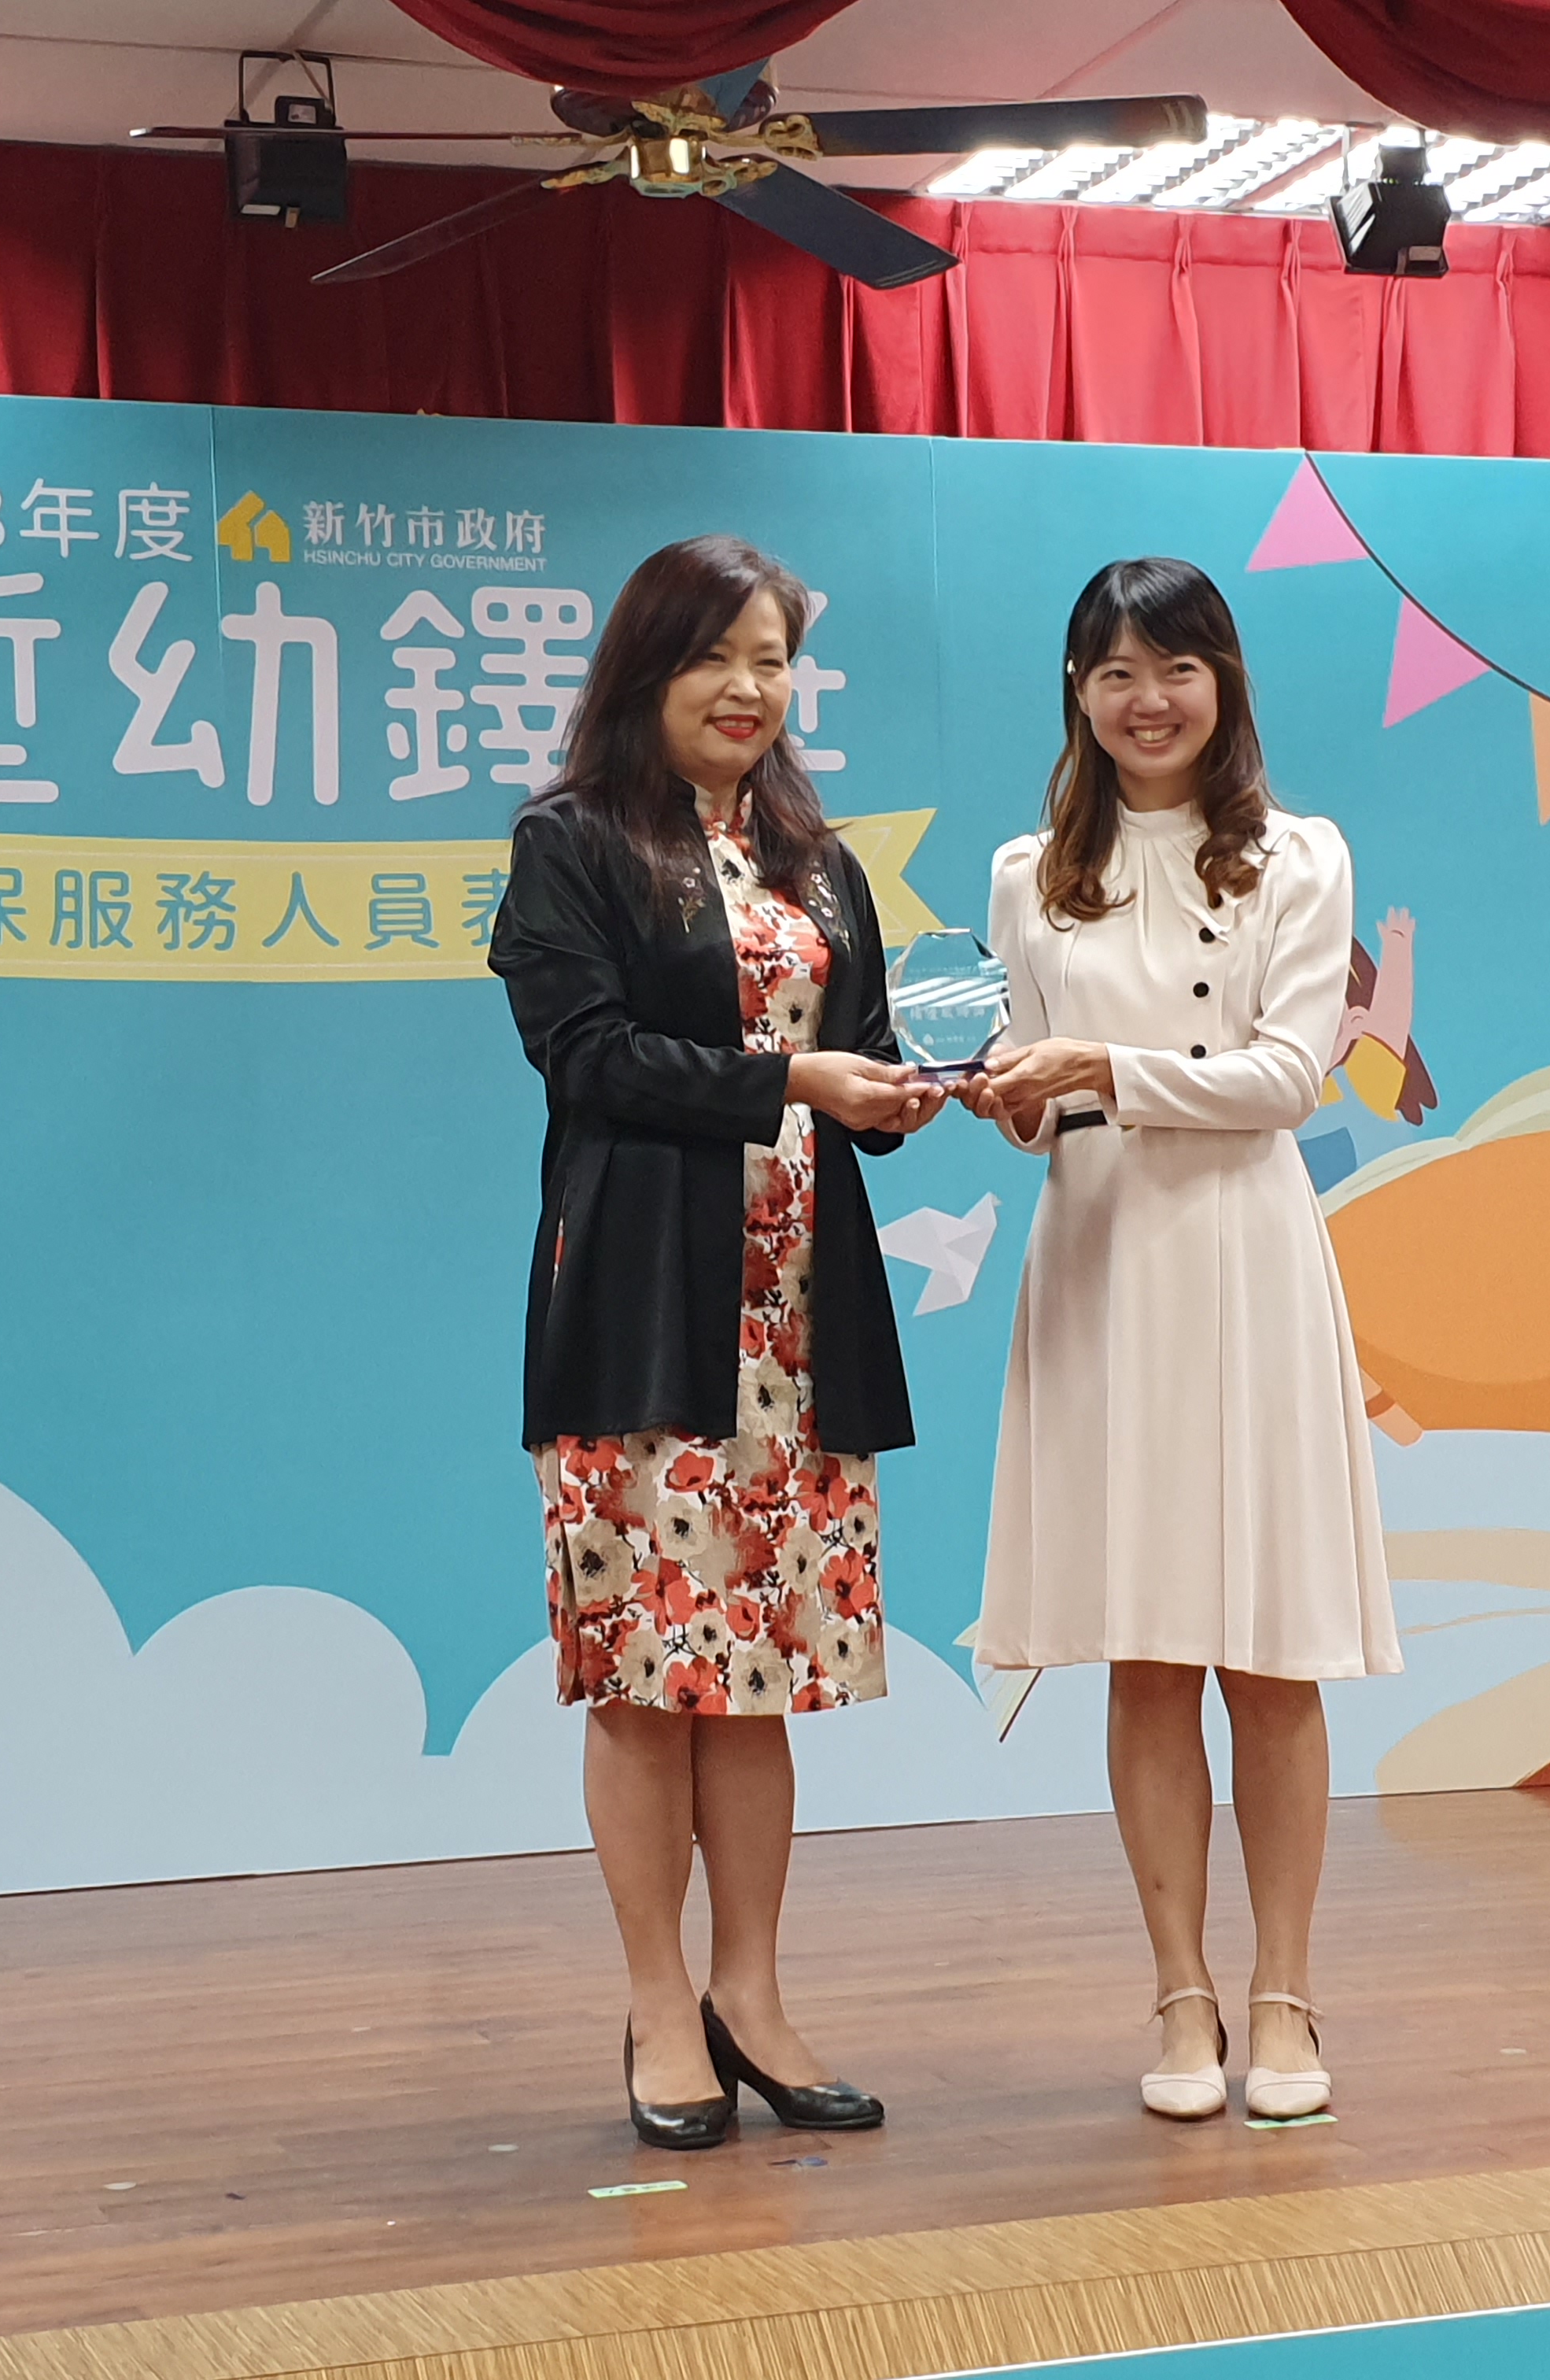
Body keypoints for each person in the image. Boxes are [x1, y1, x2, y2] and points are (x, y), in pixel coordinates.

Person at [489, 534, 945, 2151]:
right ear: (647, 668)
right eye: (718, 657)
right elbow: (591, 1059)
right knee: (646, 1677)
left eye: (773, 660)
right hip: (642, 1312)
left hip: (798, 1323)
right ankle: (659, 2003)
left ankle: (753, 1996)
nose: (751, 689)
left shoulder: (821, 861)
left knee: (759, 1680)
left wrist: (898, 1096)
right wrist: (792, 1083)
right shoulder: (570, 842)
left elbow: (860, 1054)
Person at [961, 556, 1401, 2123]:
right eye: (1115, 674)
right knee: (1146, 1652)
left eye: (1176, 669)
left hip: (1242, 1253)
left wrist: (1099, 1068)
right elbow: (1031, 1068)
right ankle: (1180, 1992)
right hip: (1099, 1256)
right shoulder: (1028, 873)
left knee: (1271, 1653)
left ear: (1225, 683)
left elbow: (1286, 1077)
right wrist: (1012, 1096)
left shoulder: (1298, 855)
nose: (1148, 701)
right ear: (1077, 695)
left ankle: (1285, 1994)